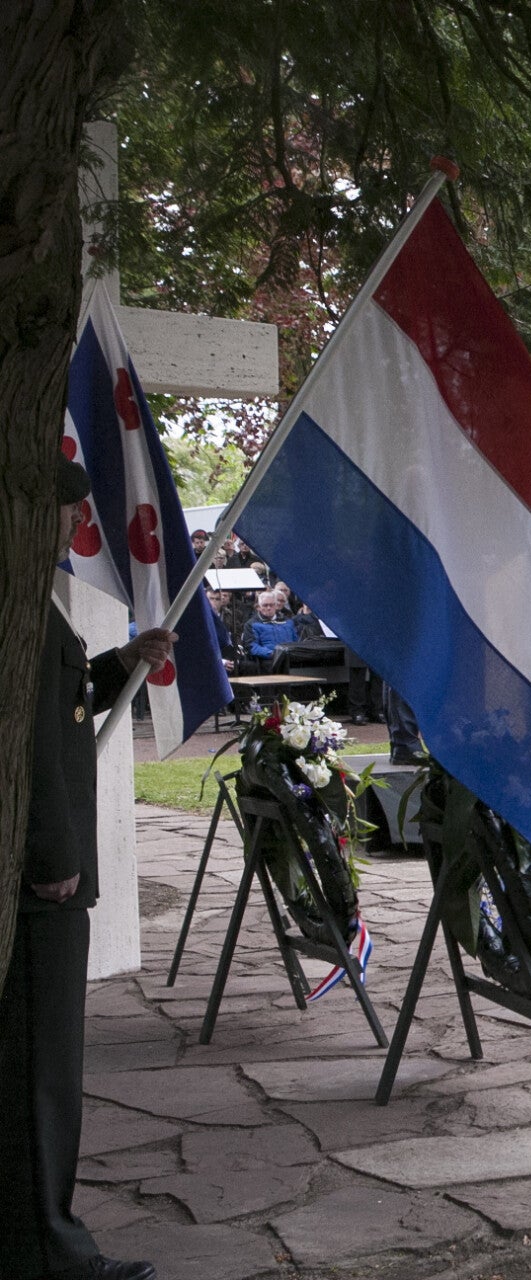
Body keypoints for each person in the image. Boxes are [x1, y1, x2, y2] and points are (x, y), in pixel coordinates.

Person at [5, 456, 167, 1280]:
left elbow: (61, 702)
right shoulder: (21, 606)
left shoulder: (33, 603)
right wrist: (54, 858)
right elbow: (26, 740)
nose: (73, 531)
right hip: (42, 884)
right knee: (43, 1076)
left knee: (32, 1070)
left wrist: (121, 662)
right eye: (64, 517)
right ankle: (50, 1254)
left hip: (41, 877)